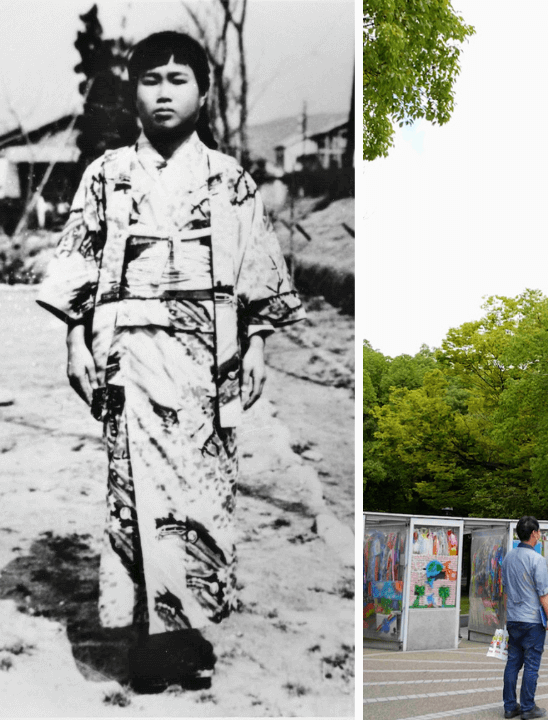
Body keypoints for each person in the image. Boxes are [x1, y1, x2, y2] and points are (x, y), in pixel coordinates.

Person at [36, 31, 304, 693]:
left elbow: (255, 269)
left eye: (178, 79)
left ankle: (188, 636)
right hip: (129, 347)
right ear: (133, 93)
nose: (163, 92)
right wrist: (75, 338)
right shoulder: (106, 174)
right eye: (151, 79)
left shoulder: (230, 178)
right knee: (137, 493)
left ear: (204, 95)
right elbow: (79, 262)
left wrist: (259, 343)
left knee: (204, 495)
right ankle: (147, 645)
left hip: (210, 354)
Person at [502, 516, 548, 720]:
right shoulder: (537, 560)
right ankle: (527, 708)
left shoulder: (508, 558)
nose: (539, 535)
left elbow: (505, 590)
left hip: (513, 619)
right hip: (532, 620)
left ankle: (509, 707)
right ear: (534, 534)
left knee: (513, 663)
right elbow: (543, 593)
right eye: (538, 532)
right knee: (532, 665)